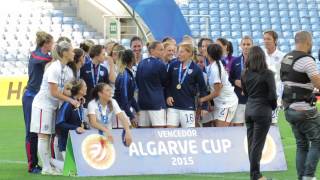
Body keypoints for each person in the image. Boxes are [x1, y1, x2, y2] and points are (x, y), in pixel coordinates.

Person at [30, 41, 78, 175]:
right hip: (43, 105)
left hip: (53, 106)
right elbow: (54, 92)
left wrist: (76, 97)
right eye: (72, 51)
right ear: (64, 53)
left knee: (49, 136)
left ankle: (49, 165)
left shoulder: (67, 70)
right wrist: (70, 101)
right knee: (43, 136)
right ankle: (46, 168)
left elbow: (66, 90)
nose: (73, 53)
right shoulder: (54, 68)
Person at [280, 31, 320, 180]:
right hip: (304, 109)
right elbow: (318, 83)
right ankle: (308, 176)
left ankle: (301, 176)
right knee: (317, 141)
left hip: (289, 108)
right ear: (309, 42)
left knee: (302, 144)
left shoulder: (287, 58)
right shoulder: (307, 61)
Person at [241, 46, 277, 180]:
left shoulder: (245, 73)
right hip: (262, 110)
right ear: (262, 57)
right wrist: (272, 107)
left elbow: (245, 92)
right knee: (257, 145)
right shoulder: (268, 73)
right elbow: (273, 95)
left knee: (252, 144)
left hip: (249, 109)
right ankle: (255, 175)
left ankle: (255, 174)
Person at [22, 31, 53, 173]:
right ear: (46, 43)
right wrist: (56, 57)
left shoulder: (47, 57)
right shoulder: (35, 55)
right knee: (31, 131)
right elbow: (40, 59)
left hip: (41, 97)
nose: (52, 45)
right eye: (51, 43)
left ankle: (47, 162)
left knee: (44, 131)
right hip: (31, 96)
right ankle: (32, 164)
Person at [166, 43, 208, 128]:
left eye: (181, 52)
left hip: (188, 107)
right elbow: (167, 83)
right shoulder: (173, 65)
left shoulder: (196, 69)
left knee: (189, 134)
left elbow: (203, 89)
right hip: (173, 106)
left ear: (189, 53)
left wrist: (204, 107)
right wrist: (168, 95)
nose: (178, 54)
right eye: (178, 52)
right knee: (170, 134)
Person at [199, 44, 238, 127]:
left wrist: (202, 99)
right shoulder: (213, 65)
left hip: (227, 103)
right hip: (220, 102)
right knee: (210, 124)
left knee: (221, 130)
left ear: (208, 54)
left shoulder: (215, 69)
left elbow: (217, 93)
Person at [136, 41, 167, 128]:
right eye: (160, 49)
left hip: (142, 103)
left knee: (143, 133)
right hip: (156, 103)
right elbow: (165, 82)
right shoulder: (160, 64)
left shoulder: (141, 63)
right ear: (152, 50)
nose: (163, 52)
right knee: (159, 132)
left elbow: (137, 81)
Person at [56, 79, 87, 160]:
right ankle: (51, 163)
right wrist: (76, 128)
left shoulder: (80, 102)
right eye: (85, 86)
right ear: (79, 90)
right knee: (72, 171)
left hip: (76, 143)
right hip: (66, 144)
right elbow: (60, 123)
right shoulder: (68, 104)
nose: (87, 88)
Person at [229, 36, 253, 126]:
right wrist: (235, 81)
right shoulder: (235, 61)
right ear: (240, 46)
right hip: (238, 99)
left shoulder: (257, 61)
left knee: (252, 127)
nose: (246, 46)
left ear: (252, 46)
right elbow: (229, 78)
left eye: (248, 44)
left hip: (252, 100)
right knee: (238, 127)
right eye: (244, 44)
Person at [263, 30, 285, 124]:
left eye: (268, 39)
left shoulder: (282, 56)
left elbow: (284, 77)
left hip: (276, 95)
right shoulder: (261, 55)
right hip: (262, 94)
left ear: (275, 40)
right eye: (264, 39)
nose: (266, 41)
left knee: (273, 123)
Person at [114, 49, 140, 128]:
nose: (136, 58)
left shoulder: (128, 73)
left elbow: (130, 96)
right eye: (135, 56)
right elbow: (124, 97)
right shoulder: (124, 75)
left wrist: (137, 109)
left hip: (125, 110)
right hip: (120, 111)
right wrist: (131, 116)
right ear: (132, 59)